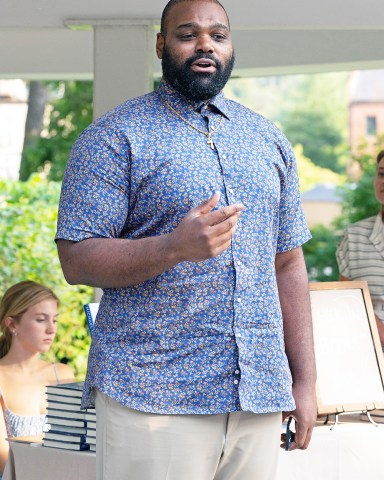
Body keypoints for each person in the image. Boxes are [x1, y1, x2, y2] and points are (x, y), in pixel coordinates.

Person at [55, 0, 317, 479]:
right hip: (154, 395)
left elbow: (288, 264)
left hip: (256, 395)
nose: (205, 45)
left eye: (218, 35)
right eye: (187, 34)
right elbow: (77, 258)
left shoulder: (267, 139)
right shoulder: (114, 136)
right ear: (161, 44)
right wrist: (173, 247)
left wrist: (305, 382)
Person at [0, 281, 74, 475]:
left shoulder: (64, 374)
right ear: (12, 324)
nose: (52, 329)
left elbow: (76, 443)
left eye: (55, 320)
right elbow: (3, 460)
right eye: (41, 320)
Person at [337, 149, 384, 346]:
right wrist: (376, 330)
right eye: (381, 174)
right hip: (368, 351)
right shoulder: (354, 236)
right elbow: (345, 299)